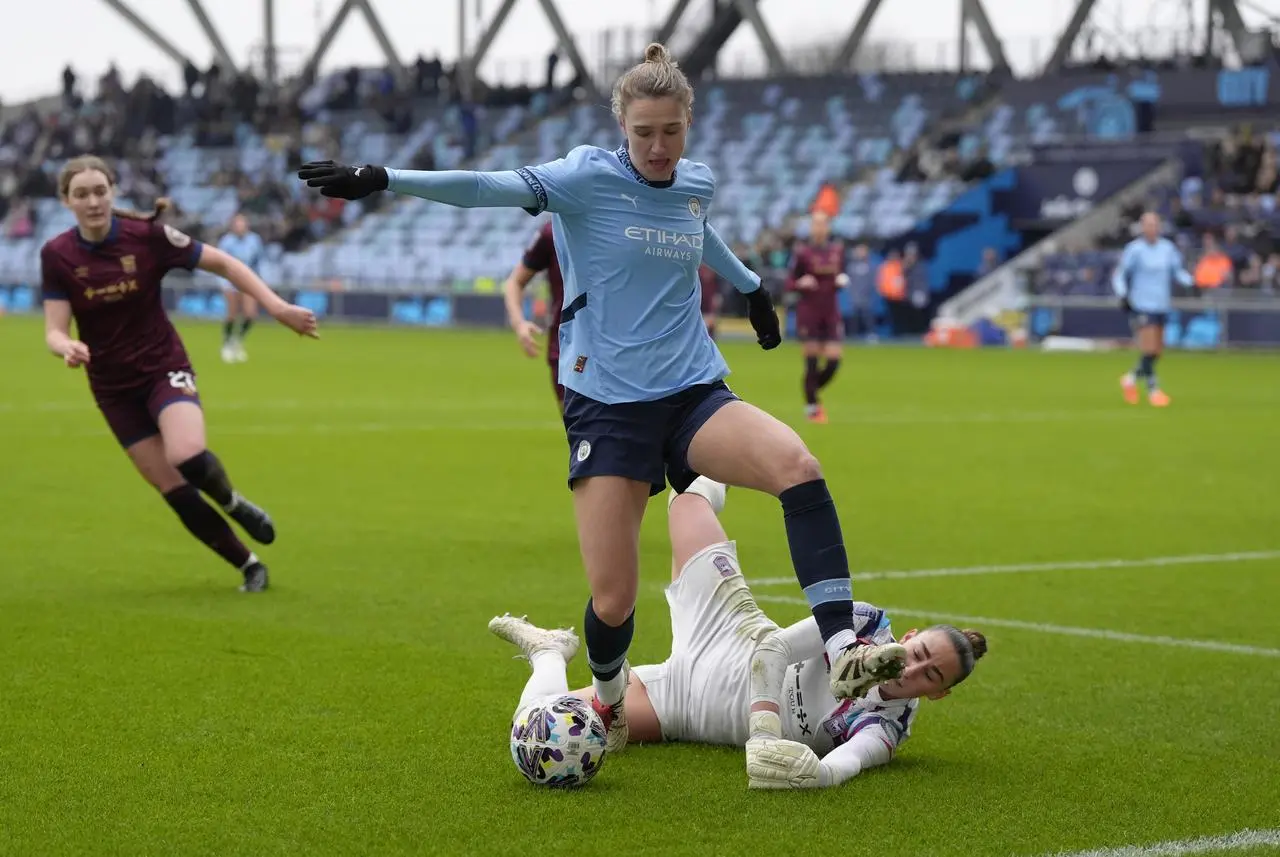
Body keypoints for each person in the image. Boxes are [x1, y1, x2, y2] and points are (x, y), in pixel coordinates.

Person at [299, 42, 906, 755]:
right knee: (614, 600)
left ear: (688, 124)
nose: (658, 146)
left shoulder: (694, 181)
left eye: (671, 131)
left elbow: (695, 229)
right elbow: (484, 185)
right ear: (623, 126)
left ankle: (842, 651)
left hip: (691, 391)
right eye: (644, 132)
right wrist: (382, 177)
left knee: (798, 466)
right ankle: (610, 699)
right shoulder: (584, 177)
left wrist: (751, 286)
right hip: (608, 406)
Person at [489, 475, 988, 789]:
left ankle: (549, 654)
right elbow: (771, 648)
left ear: (938, 694)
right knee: (686, 501)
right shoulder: (864, 622)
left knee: (537, 730)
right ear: (913, 633)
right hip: (729, 633)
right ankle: (708, 449)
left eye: (930, 674)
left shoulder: (886, 725)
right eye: (920, 651)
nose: (915, 667)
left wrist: (813, 774)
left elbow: (846, 765)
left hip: (686, 707)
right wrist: (766, 733)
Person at [40, 155, 319, 592]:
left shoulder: (147, 238)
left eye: (100, 191)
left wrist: (277, 306)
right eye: (82, 194)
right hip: (112, 388)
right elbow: (54, 330)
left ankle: (232, 501)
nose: (93, 201)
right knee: (173, 488)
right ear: (65, 202)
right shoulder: (57, 255)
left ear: (112, 192)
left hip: (161, 367)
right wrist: (66, 347)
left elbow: (225, 264)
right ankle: (249, 565)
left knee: (187, 454)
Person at [1111, 211, 1193, 407]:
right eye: (1147, 224)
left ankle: (1130, 379)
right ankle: (1153, 390)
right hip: (1142, 305)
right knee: (1148, 348)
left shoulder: (1167, 249)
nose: (1151, 228)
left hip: (1161, 304)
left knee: (1157, 351)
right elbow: (1120, 274)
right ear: (1142, 227)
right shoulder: (1135, 249)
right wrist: (1123, 295)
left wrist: (1192, 282)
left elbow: (1177, 271)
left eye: (1154, 224)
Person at [787, 211, 848, 423]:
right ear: (811, 228)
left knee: (833, 361)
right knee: (811, 362)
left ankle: (810, 391)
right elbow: (790, 282)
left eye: (823, 224)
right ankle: (812, 407)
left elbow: (842, 273)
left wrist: (841, 280)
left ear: (828, 228)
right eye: (815, 224)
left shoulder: (837, 251)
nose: (819, 228)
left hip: (830, 311)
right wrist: (800, 283)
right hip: (809, 311)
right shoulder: (803, 253)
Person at [501, 220, 565, 410]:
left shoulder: (624, 225)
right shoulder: (552, 231)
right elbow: (515, 282)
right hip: (565, 349)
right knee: (580, 435)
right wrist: (519, 323)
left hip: (620, 349)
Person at [217, 213, 266, 363]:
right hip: (230, 280)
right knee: (231, 314)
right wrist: (223, 282)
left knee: (250, 314)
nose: (240, 227)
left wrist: (260, 280)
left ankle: (238, 340)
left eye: (242, 223)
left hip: (249, 280)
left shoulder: (254, 240)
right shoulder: (227, 241)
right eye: (237, 224)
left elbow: (258, 261)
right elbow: (220, 262)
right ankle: (226, 343)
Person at [698, 263, 723, 340]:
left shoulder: (715, 272)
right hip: (700, 303)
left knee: (711, 323)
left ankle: (711, 340)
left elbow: (719, 288)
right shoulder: (698, 272)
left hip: (710, 304)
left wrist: (718, 296)